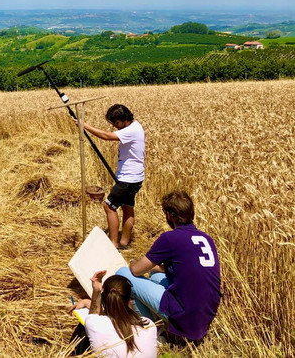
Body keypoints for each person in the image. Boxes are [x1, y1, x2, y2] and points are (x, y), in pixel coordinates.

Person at [116, 191, 221, 343]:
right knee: (155, 275)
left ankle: (155, 334)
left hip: (185, 314)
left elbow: (136, 270)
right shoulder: (206, 238)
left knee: (124, 274)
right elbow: (188, 269)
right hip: (206, 312)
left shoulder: (170, 238)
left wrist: (133, 261)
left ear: (171, 215)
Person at [76, 104, 144, 249]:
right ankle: (124, 242)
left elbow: (107, 136)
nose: (114, 126)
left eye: (116, 122)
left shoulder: (131, 130)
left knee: (109, 206)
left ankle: (113, 244)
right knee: (127, 207)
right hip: (136, 178)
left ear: (124, 118)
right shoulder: (136, 126)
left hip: (128, 179)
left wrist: (84, 126)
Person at [69, 271, 157, 358]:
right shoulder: (149, 325)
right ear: (130, 300)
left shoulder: (95, 324)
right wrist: (87, 302)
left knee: (82, 328)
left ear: (104, 301)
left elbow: (94, 316)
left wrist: (96, 292)